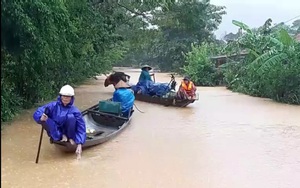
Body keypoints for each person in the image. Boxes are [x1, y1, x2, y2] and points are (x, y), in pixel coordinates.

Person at [33, 85, 86, 159]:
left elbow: (81, 128)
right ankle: (60, 136)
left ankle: (70, 138)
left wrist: (80, 144)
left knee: (71, 117)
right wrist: (40, 117)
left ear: (71, 98)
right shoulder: (53, 106)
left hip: (69, 132)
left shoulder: (75, 111)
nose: (65, 98)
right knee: (45, 119)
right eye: (64, 96)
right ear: (60, 96)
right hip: (55, 130)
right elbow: (38, 111)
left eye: (68, 97)